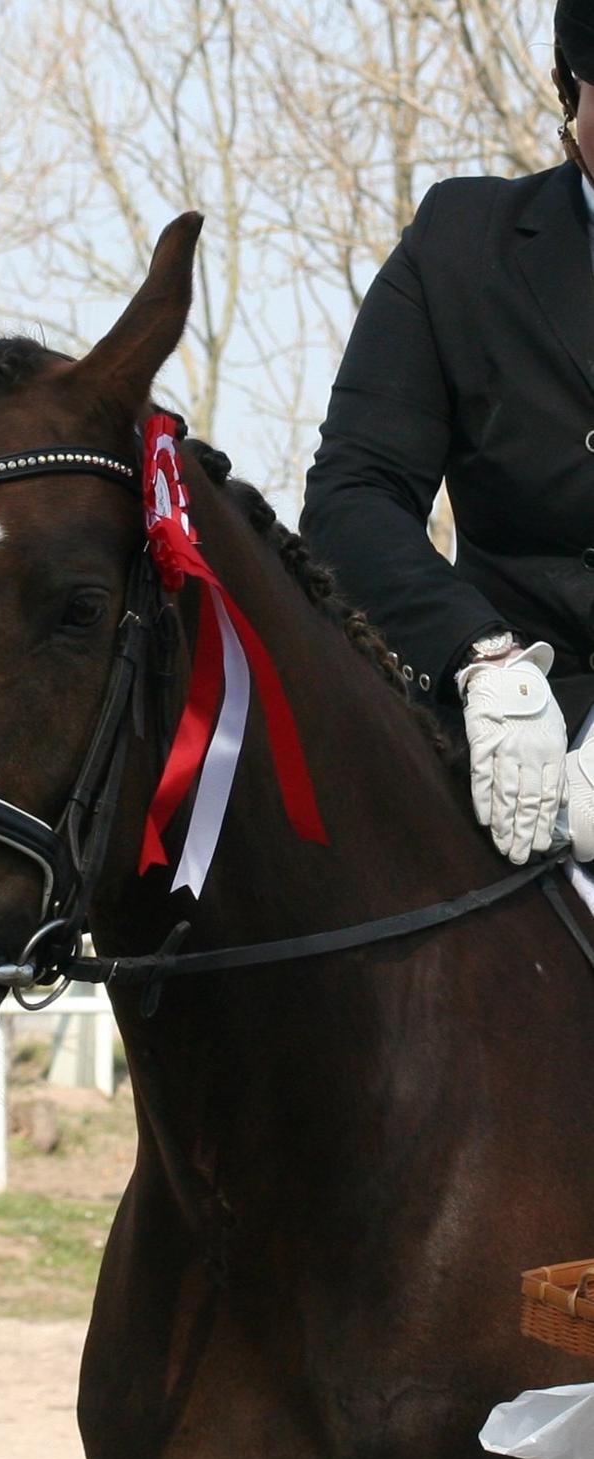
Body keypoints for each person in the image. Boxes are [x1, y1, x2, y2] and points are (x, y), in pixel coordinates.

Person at [301, 0, 594, 873]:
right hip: (512, 711)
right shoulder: (460, 243)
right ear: (571, 91)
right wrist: (477, 655)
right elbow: (354, 492)